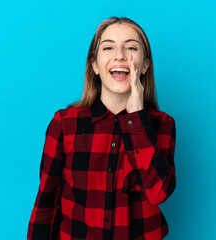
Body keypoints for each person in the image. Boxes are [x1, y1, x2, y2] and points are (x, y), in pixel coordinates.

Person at [27, 16, 176, 240]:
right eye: (108, 47)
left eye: (131, 47)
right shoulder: (64, 124)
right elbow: (46, 200)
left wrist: (136, 119)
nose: (120, 55)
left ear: (145, 65)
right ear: (95, 65)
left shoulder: (163, 124)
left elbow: (158, 193)